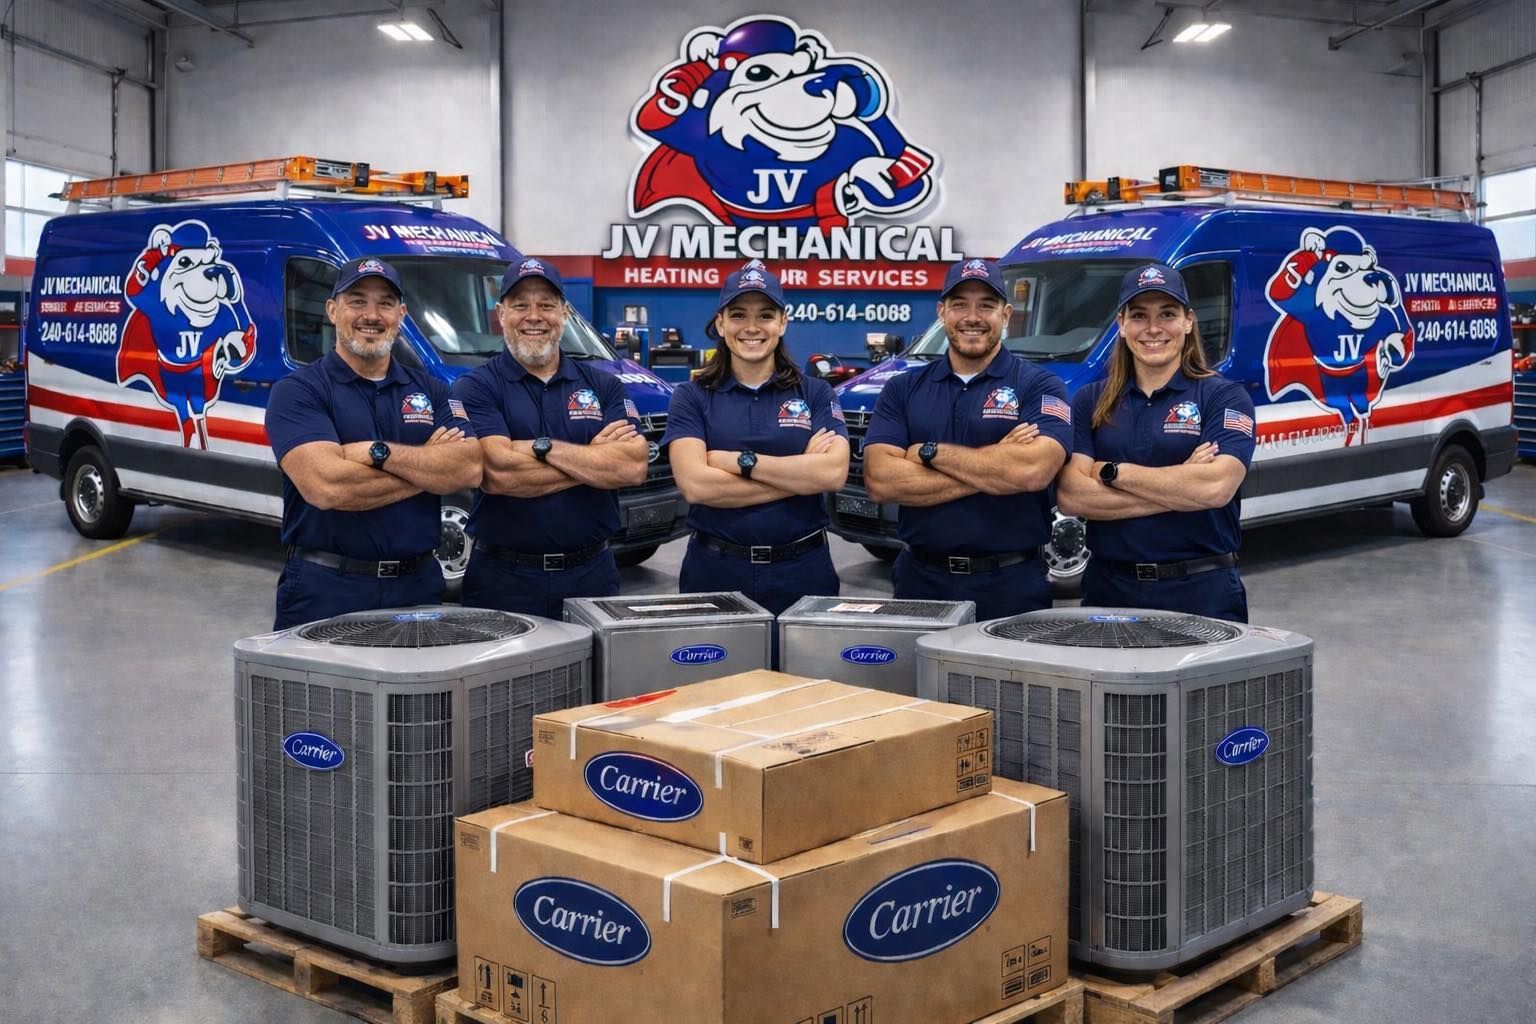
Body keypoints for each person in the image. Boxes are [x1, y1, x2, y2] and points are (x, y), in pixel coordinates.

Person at [265, 257, 482, 630]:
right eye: (357, 300)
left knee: (418, 690)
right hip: (326, 587)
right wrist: (428, 467)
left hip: (418, 586)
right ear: (333, 310)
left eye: (385, 303)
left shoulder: (431, 390)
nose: (372, 314)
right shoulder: (297, 392)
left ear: (401, 314)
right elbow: (327, 485)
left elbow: (469, 467)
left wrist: (372, 452)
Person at [863, 258, 1070, 620]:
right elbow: (880, 480)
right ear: (942, 312)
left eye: (986, 306)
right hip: (920, 582)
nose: (972, 317)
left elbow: (1033, 471)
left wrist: (929, 452)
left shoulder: (1039, 385)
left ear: (1006, 315)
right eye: (960, 304)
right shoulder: (903, 388)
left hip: (1011, 585)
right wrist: (997, 464)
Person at [1055, 262, 1256, 622]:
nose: (1153, 329)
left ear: (1188, 321)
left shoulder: (1224, 397)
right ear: (1121, 325)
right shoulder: (1090, 400)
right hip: (1109, 590)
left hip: (1202, 590)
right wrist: (1180, 485)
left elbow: (1216, 487)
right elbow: (1072, 497)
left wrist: (1111, 472)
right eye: (1139, 315)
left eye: (1167, 314)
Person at [451, 258, 647, 618]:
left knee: (597, 675)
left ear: (565, 313)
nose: (534, 316)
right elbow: (499, 472)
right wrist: (592, 460)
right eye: (520, 305)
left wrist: (543, 448)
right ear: (501, 314)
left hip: (592, 575)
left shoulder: (604, 386)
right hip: (503, 580)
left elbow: (632, 466)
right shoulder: (476, 387)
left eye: (546, 305)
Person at [662, 260, 850, 619]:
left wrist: (736, 462)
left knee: (803, 676)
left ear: (782, 322)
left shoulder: (816, 393)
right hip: (715, 572)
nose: (751, 327)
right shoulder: (691, 396)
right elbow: (697, 486)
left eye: (765, 315)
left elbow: (832, 475)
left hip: (804, 571)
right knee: (718, 674)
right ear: (720, 323)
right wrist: (799, 477)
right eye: (737, 315)